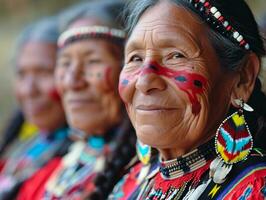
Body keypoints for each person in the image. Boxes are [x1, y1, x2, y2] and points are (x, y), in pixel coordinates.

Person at [109, 0, 266, 199]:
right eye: (135, 58)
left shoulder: (255, 188)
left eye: (176, 55)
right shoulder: (131, 183)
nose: (144, 81)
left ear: (242, 78)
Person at [17, 1, 136, 199]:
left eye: (92, 62)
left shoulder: (143, 180)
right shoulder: (56, 168)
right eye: (65, 63)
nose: (72, 81)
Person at [0, 17, 70, 199]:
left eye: (44, 72)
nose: (29, 90)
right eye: (22, 74)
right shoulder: (25, 145)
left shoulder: (79, 166)